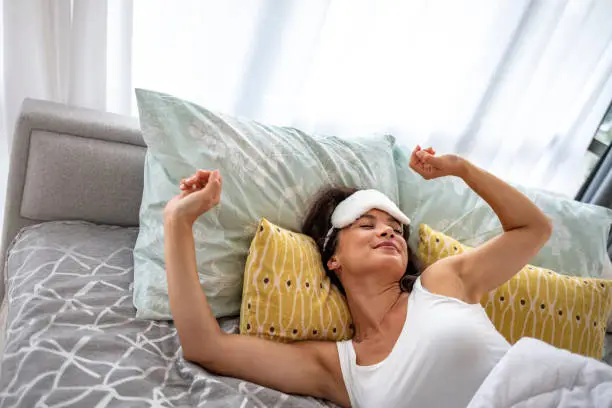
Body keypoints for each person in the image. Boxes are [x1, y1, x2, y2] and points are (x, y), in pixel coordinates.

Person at [163, 146, 552, 408]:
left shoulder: (443, 283)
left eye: (396, 229)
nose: (388, 232)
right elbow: (205, 347)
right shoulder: (338, 369)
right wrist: (178, 221)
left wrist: (463, 170)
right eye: (366, 225)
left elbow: (533, 230)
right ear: (333, 259)